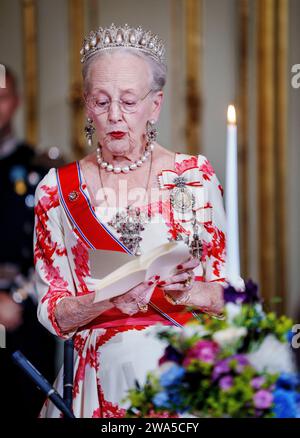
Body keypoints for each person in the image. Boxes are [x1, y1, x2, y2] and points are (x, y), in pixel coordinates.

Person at [34, 24, 229, 418]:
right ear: (87, 105)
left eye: (128, 101)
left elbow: (227, 297)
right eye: (102, 102)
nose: (115, 116)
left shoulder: (193, 177)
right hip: (100, 380)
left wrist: (185, 294)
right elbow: (54, 313)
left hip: (181, 372)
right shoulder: (57, 190)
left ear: (155, 104)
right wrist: (105, 299)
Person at [0, 67, 56, 417]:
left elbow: (54, 252)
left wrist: (16, 297)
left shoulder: (39, 170)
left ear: (16, 102)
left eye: (0, 98)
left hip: (22, 316)